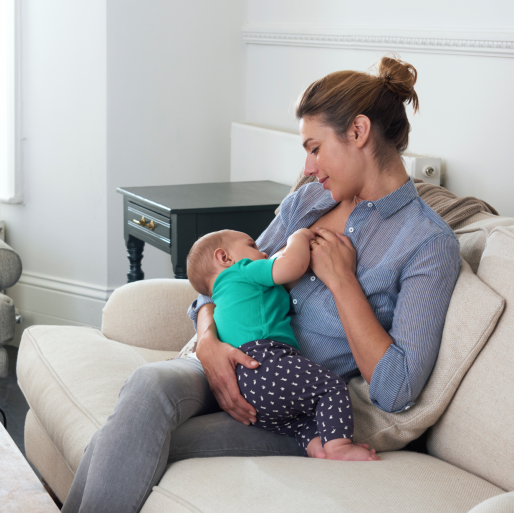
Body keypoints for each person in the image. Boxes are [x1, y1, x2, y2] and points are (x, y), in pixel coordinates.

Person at [62, 55, 461, 513]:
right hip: (219, 359)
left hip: (286, 406)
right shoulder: (307, 203)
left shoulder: (427, 244)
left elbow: (397, 388)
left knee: (133, 436)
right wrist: (208, 343)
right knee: (146, 387)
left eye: (315, 147)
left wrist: (343, 283)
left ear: (358, 131)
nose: (309, 167)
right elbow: (218, 282)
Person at [186, 228, 378, 461]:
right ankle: (339, 447)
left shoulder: (221, 296)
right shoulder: (242, 271)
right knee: (330, 387)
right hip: (265, 361)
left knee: (298, 422)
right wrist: (298, 237)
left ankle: (316, 446)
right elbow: (292, 265)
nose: (264, 252)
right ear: (225, 258)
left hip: (244, 387)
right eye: (252, 246)